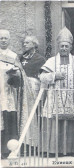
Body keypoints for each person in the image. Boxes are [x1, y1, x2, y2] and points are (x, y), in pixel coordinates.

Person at [39, 27, 74, 157]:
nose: (64, 48)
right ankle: (53, 150)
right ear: (58, 46)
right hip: (55, 96)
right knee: (55, 120)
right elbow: (41, 77)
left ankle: (73, 149)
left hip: (73, 96)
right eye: (62, 46)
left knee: (73, 121)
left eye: (66, 46)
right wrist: (54, 75)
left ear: (70, 47)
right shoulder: (51, 61)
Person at [19, 36, 46, 155]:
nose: (24, 44)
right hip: (21, 91)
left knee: (33, 115)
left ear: (34, 44)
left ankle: (34, 146)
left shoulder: (40, 59)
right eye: (24, 42)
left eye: (27, 42)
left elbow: (42, 76)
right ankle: (22, 144)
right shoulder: (20, 57)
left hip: (34, 90)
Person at [0, 29, 21, 158]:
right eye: (0, 38)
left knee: (7, 119)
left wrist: (15, 75)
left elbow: (19, 76)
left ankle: (6, 150)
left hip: (7, 93)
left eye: (5, 38)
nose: (2, 40)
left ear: (9, 40)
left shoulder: (13, 56)